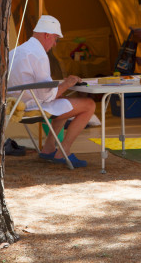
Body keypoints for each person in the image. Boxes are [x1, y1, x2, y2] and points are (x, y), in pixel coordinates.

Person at [8, 15, 96, 168]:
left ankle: (48, 149)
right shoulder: (39, 54)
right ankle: (64, 151)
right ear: (47, 35)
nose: (55, 44)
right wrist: (67, 83)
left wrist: (60, 88)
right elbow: (47, 95)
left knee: (62, 102)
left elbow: (43, 90)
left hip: (15, 105)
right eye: (55, 39)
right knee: (89, 105)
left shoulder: (15, 51)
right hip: (32, 107)